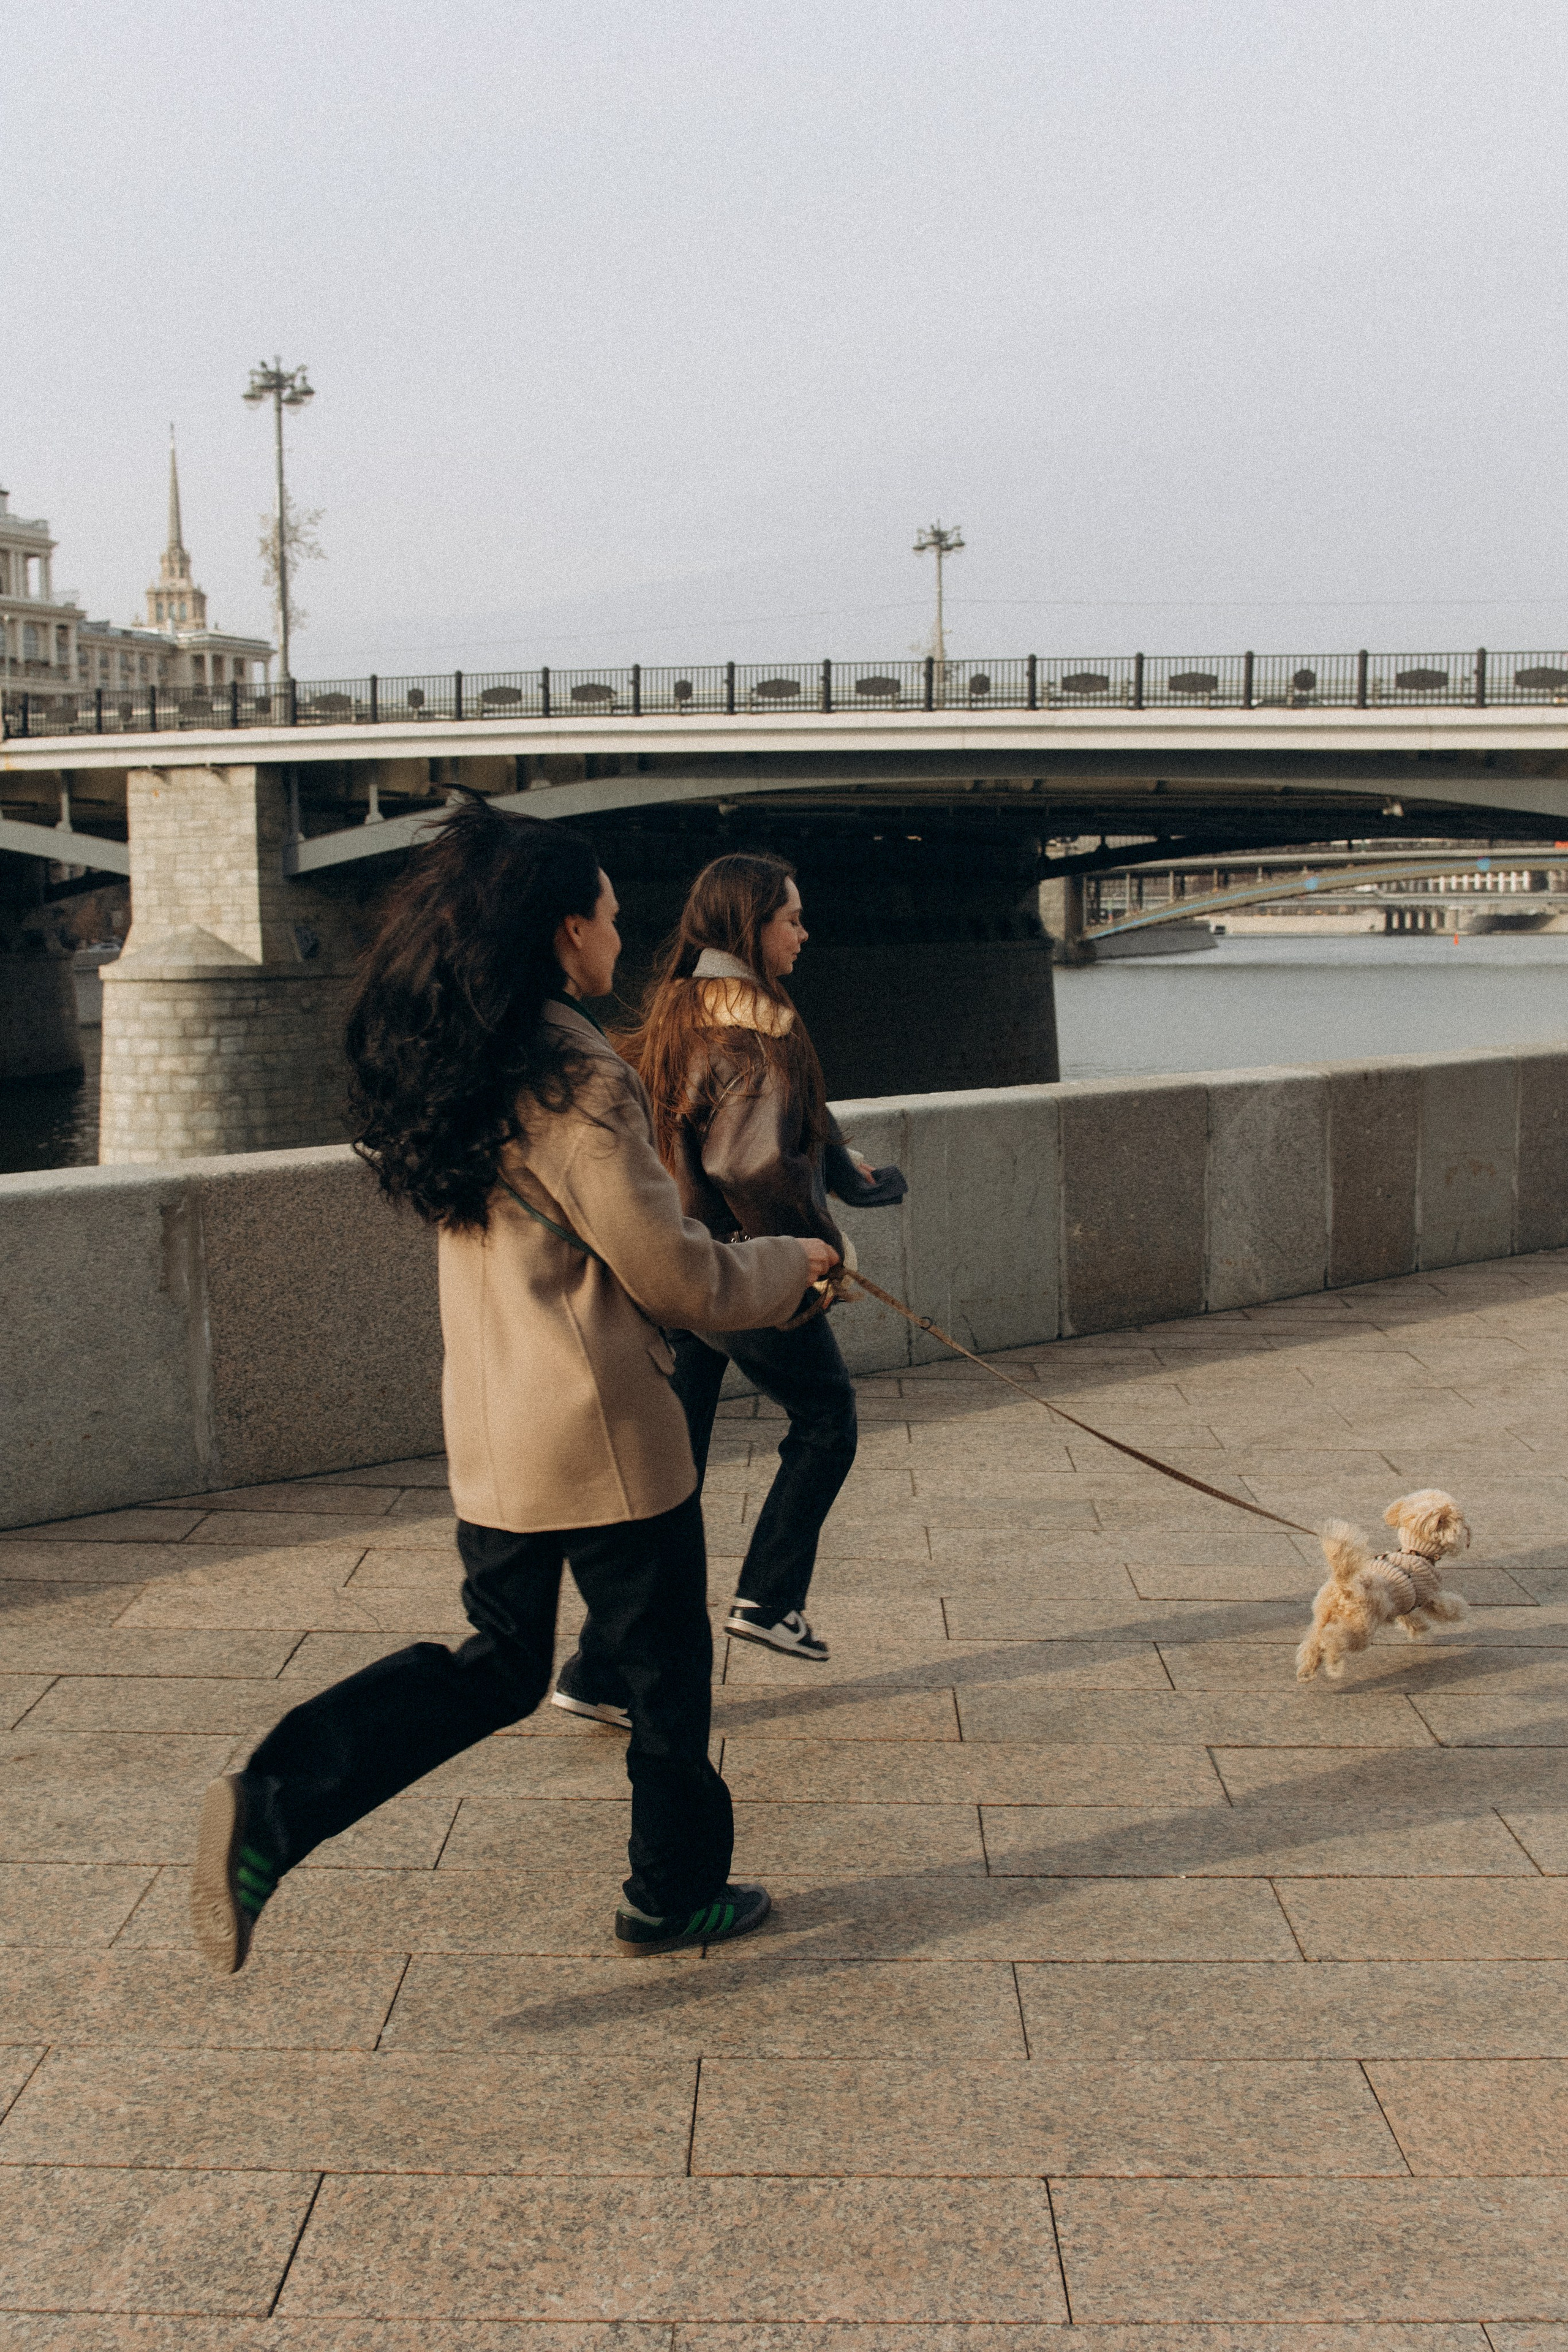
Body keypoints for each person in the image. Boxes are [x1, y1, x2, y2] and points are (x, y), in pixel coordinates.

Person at [189, 805, 839, 1975]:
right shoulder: (579, 1079)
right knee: (667, 1682)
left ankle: (276, 1800)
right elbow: (672, 1274)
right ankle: (675, 1895)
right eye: (609, 916)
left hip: (498, 1425)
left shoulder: (464, 1059)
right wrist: (793, 1268)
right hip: (604, 1431)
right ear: (565, 932)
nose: (621, 934)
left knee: (495, 1663)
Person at [552, 852, 904, 1726]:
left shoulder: (681, 1009)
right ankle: (768, 1598)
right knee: (827, 1419)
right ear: (753, 927)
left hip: (674, 1266)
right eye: (791, 918)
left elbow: (746, 1119)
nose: (804, 933)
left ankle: (597, 1670)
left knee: (674, 1476)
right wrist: (816, 1256)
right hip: (741, 1268)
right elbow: (749, 1160)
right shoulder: (762, 1033)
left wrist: (838, 1161)